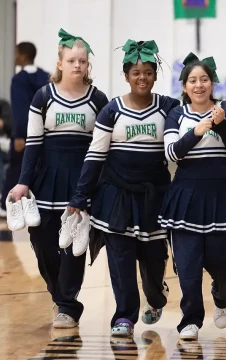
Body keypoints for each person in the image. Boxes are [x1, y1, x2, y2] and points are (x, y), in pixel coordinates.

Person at [68, 44, 226, 337]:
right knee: (126, 259)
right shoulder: (114, 110)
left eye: (148, 73)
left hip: (160, 195)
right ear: (126, 75)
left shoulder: (167, 107)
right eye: (136, 72)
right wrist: (81, 196)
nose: (142, 78)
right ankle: (127, 317)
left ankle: (162, 295)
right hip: (120, 195)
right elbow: (96, 154)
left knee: (160, 262)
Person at [8, 29, 108, 328]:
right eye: (72, 60)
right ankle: (60, 295)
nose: (78, 65)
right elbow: (34, 142)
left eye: (83, 61)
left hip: (82, 179)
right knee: (42, 243)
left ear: (87, 65)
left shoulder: (98, 99)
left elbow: (103, 146)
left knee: (74, 245)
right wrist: (24, 181)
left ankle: (67, 306)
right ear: (60, 63)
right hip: (46, 178)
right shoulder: (43, 96)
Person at [160, 52, 226, 340]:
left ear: (212, 83)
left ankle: (222, 296)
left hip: (221, 197)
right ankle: (190, 320)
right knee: (186, 264)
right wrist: (196, 131)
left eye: (204, 80)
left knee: (221, 262)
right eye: (193, 81)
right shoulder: (176, 114)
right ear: (185, 86)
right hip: (185, 195)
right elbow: (171, 153)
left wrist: (220, 124)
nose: (199, 85)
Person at [0, 42, 49, 217]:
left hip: (24, 133)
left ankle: (8, 206)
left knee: (16, 167)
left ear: (24, 55)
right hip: (44, 132)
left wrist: (20, 135)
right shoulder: (45, 76)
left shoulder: (19, 79)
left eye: (16, 53)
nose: (14, 56)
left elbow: (20, 110)